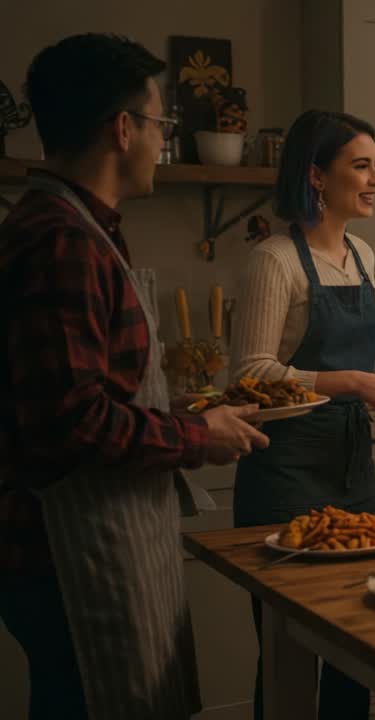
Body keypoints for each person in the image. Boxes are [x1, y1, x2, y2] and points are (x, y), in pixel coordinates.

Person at [0, 34, 268, 719]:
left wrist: (171, 403)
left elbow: (81, 389)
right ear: (124, 129)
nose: (161, 142)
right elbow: (70, 423)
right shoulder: (63, 241)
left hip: (83, 542)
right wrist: (193, 435)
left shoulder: (76, 226)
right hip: (69, 552)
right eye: (161, 125)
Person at [230, 109, 375, 720]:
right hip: (286, 472)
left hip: (353, 470)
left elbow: (346, 352)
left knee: (360, 640)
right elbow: (249, 375)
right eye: (361, 165)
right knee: (289, 648)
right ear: (317, 177)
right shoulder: (273, 259)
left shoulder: (362, 255)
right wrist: (354, 381)